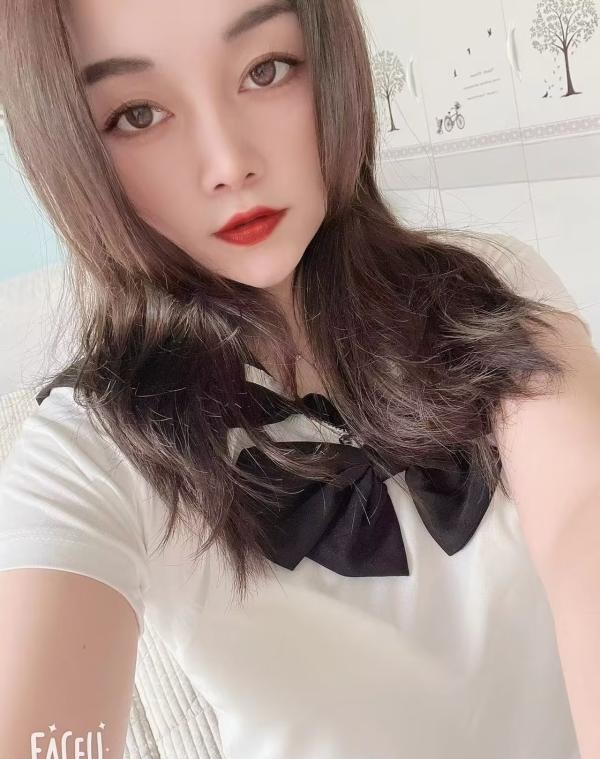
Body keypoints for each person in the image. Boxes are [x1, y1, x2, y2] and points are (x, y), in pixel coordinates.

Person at [0, 1, 597, 758]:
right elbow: (46, 733)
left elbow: (583, 515)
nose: (228, 164)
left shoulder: (486, 287)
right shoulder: (92, 447)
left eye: (266, 70)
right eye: (138, 114)